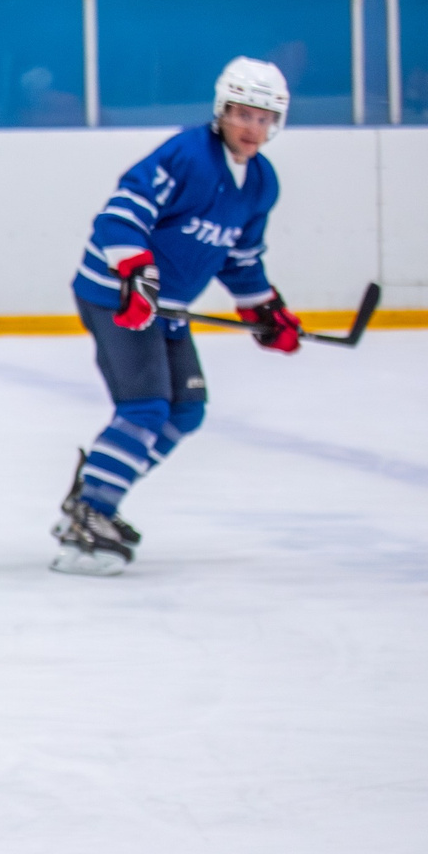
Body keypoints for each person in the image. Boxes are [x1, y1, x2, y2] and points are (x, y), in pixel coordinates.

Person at [52, 57, 301, 575]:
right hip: (113, 294)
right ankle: (90, 513)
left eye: (264, 118)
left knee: (185, 411)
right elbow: (120, 215)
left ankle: (96, 495)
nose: (253, 128)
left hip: (166, 305)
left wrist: (265, 310)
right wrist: (136, 273)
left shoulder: (260, 183)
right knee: (144, 408)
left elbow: (240, 257)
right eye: (244, 114)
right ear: (223, 110)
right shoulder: (188, 154)